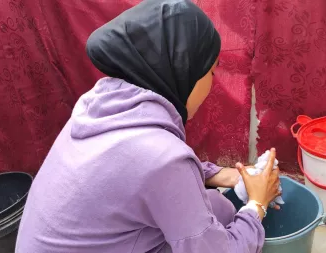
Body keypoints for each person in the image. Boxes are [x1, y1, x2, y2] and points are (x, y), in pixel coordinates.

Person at [15, 0, 281, 252]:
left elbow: (130, 171)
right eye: (211, 71)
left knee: (216, 206)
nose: (211, 85)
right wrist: (257, 205)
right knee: (220, 216)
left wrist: (221, 174)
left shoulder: (99, 105)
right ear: (184, 70)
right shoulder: (162, 156)